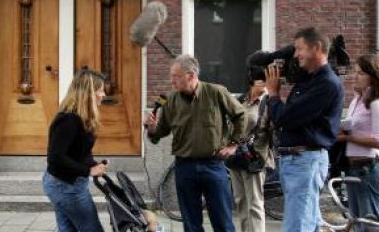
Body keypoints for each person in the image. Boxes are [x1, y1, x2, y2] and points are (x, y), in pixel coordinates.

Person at [145, 54, 244, 232]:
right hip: (184, 167)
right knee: (191, 225)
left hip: (213, 165)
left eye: (175, 76)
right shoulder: (170, 102)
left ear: (190, 75)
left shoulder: (216, 92)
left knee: (223, 222)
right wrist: (151, 128)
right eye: (171, 76)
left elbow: (241, 115)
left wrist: (233, 145)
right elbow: (159, 134)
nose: (171, 80)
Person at [265, 27, 345, 232]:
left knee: (297, 225)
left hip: (305, 161)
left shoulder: (326, 83)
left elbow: (285, 117)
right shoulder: (309, 80)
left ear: (316, 48)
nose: (295, 55)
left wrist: (273, 94)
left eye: (299, 49)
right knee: (308, 222)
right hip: (298, 160)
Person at [42, 69, 108, 232]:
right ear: (88, 93)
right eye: (100, 90)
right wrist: (88, 170)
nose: (104, 94)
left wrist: (94, 165)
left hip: (68, 184)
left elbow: (79, 152)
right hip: (65, 186)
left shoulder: (81, 118)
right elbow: (56, 157)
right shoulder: (68, 120)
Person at [337, 54, 379, 231]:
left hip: (370, 168)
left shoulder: (377, 103)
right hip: (354, 167)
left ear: (373, 76)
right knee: (356, 223)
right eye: (355, 72)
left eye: (360, 73)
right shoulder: (356, 100)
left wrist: (348, 138)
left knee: (369, 226)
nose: (355, 76)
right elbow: (352, 124)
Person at [229, 74, 275, 232]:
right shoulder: (240, 100)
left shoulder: (267, 102)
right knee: (240, 200)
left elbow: (274, 129)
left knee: (255, 202)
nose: (264, 82)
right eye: (260, 79)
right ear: (251, 82)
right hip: (236, 155)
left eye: (266, 79)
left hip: (255, 157)